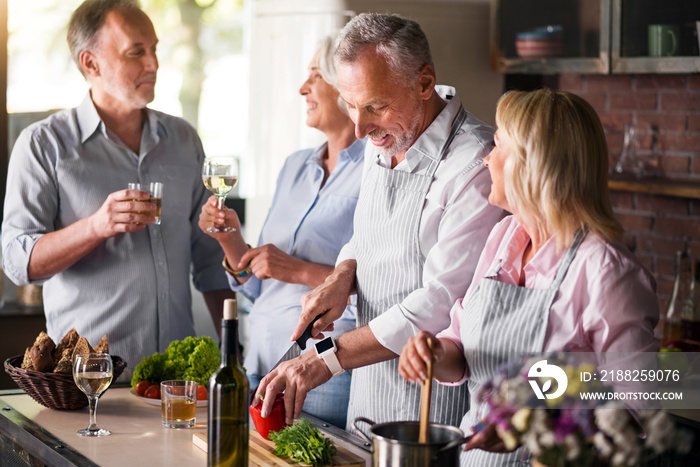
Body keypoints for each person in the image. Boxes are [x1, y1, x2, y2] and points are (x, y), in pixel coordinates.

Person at [252, 13, 505, 432]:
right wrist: (342, 274)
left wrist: (326, 356)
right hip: (367, 394)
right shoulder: (384, 137)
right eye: (351, 105)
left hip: (431, 406)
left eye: (375, 106)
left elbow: (440, 300)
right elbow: (366, 235)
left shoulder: (475, 164)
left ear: (424, 83)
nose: (359, 126)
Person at [398, 89, 659, 466]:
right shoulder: (504, 237)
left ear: (532, 164)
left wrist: (535, 423)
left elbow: (641, 404)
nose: (486, 158)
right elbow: (462, 346)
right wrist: (433, 354)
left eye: (497, 145)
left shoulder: (607, 272)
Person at [1, 0, 233, 374]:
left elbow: (209, 261)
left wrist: (232, 350)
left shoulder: (183, 139)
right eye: (136, 52)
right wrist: (96, 226)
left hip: (176, 381)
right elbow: (18, 261)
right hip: (90, 383)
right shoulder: (43, 145)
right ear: (90, 63)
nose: (153, 64)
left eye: (154, 49)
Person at [199, 35, 365, 428]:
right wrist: (231, 241)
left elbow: (379, 284)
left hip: (320, 373)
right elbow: (257, 282)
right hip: (259, 363)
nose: (302, 88)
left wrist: (296, 269)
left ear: (345, 86)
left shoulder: (375, 170)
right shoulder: (294, 166)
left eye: (314, 76)